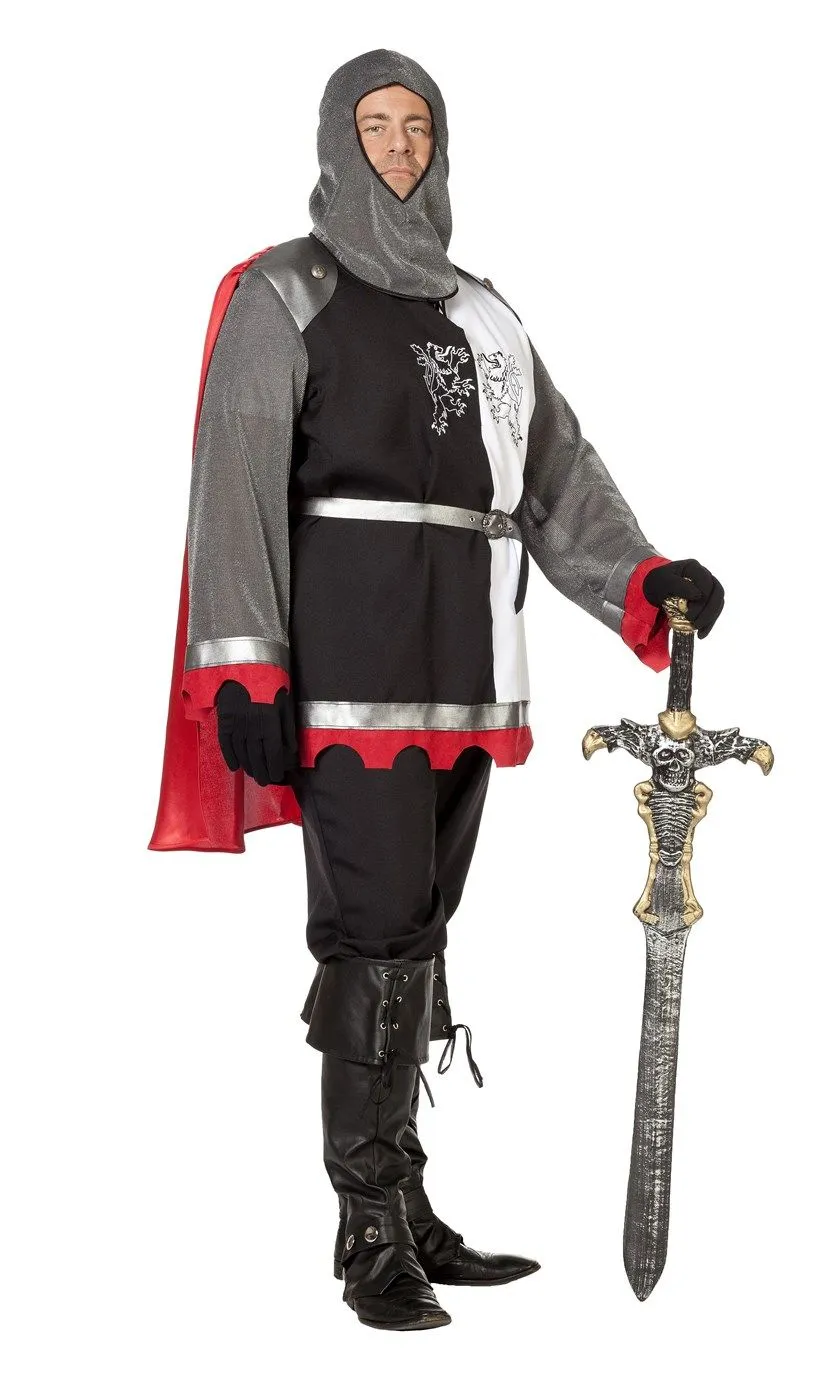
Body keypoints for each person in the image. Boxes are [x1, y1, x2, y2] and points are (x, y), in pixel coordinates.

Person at [150, 49, 724, 1332]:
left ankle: (407, 1206)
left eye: (417, 125)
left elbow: (555, 473)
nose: (399, 146)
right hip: (343, 671)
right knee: (370, 933)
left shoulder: (484, 312)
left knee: (415, 928)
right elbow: (232, 481)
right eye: (376, 125)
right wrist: (243, 659)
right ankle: (365, 1235)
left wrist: (641, 575)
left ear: (440, 143)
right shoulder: (283, 293)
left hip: (464, 671)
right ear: (337, 140)